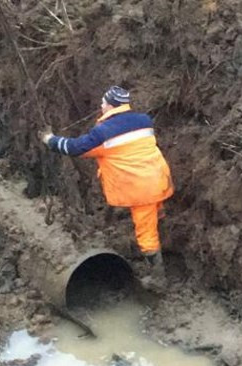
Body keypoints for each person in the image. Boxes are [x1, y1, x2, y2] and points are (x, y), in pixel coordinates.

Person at [42, 86, 174, 289]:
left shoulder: (104, 131)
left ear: (111, 105)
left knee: (146, 232)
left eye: (103, 103)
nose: (101, 107)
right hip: (158, 178)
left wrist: (51, 140)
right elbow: (117, 148)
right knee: (156, 213)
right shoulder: (144, 121)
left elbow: (76, 148)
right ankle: (168, 246)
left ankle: (158, 279)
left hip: (141, 188)